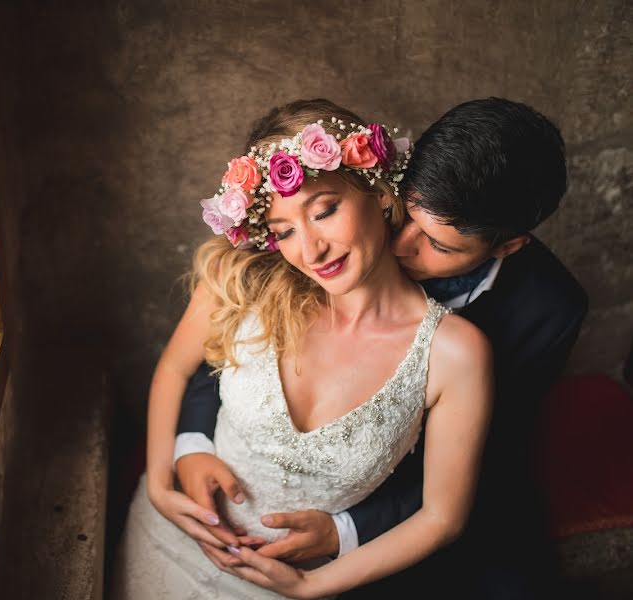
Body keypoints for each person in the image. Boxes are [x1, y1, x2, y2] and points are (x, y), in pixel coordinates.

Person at [173, 97, 588, 598]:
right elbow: (234, 342)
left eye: (438, 244)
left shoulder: (549, 309)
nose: (400, 242)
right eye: (404, 214)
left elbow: (489, 456)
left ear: (506, 247)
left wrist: (347, 529)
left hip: (409, 500)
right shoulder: (352, 207)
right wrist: (191, 445)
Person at [111, 99, 493, 599]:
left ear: (378, 193)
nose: (311, 250)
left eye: (325, 211)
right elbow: (174, 370)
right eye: (284, 231)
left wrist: (310, 586)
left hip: (296, 584)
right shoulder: (246, 283)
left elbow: (443, 518)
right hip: (170, 540)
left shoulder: (455, 354)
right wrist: (162, 483)